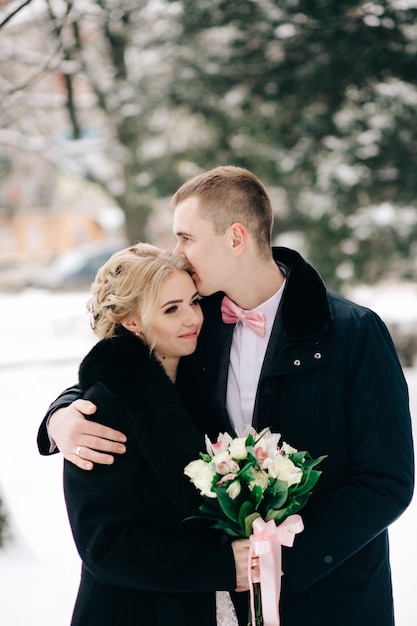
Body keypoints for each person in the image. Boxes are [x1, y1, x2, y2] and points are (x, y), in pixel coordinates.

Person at [38, 166, 414, 626]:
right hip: (224, 602)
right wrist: (62, 413)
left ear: (236, 238)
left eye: (186, 238)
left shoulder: (353, 333)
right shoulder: (200, 322)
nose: (177, 253)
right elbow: (130, 368)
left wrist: (278, 562)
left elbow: (387, 478)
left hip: (331, 597)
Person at [47, 242, 254, 626]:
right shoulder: (103, 409)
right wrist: (220, 565)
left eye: (193, 302)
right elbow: (105, 547)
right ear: (132, 321)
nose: (192, 318)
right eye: (171, 309)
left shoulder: (197, 383)